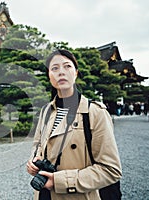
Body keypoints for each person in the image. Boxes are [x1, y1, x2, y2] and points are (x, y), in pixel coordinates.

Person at [26, 49, 122, 200]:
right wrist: (34, 160)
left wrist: (58, 181)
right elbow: (37, 144)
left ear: (76, 73)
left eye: (67, 66)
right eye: (55, 68)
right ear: (49, 76)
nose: (61, 72)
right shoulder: (46, 112)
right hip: (44, 194)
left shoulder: (95, 113)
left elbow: (111, 170)